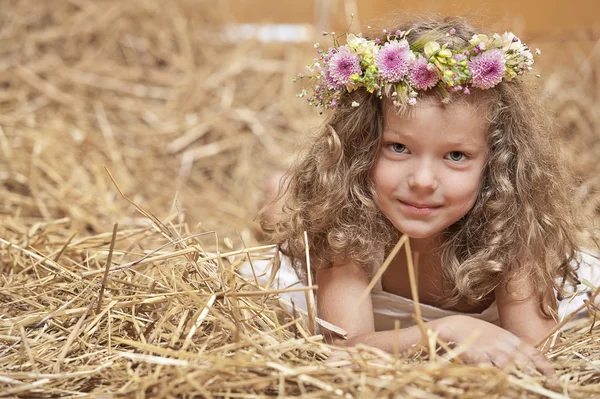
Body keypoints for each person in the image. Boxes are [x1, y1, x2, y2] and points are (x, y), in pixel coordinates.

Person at [257, 16, 599, 375]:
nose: (422, 181)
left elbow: (541, 355)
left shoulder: (510, 229)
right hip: (342, 224)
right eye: (398, 147)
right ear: (361, 149)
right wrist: (447, 332)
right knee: (287, 212)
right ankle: (277, 192)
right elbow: (344, 348)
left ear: (495, 165)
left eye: (455, 156)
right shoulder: (345, 221)